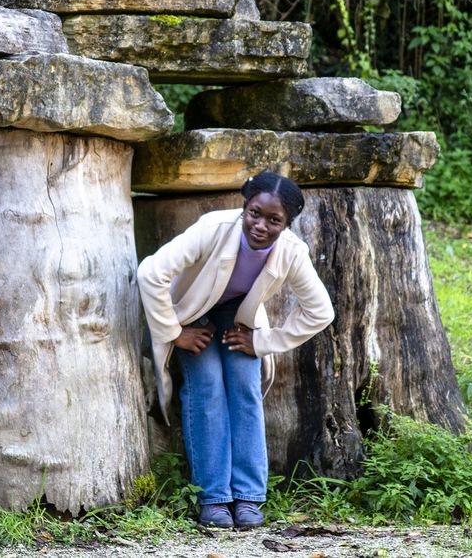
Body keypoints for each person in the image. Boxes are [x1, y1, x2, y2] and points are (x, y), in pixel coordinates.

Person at [137, 171, 334, 529]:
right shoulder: (213, 227)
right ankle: (214, 497)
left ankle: (247, 497)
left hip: (237, 315)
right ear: (245, 205)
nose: (260, 225)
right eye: (254, 213)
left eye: (274, 220)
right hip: (192, 310)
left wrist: (262, 341)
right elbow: (151, 273)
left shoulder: (292, 252)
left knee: (245, 385)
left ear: (287, 224)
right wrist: (175, 332)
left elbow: (321, 311)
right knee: (207, 384)